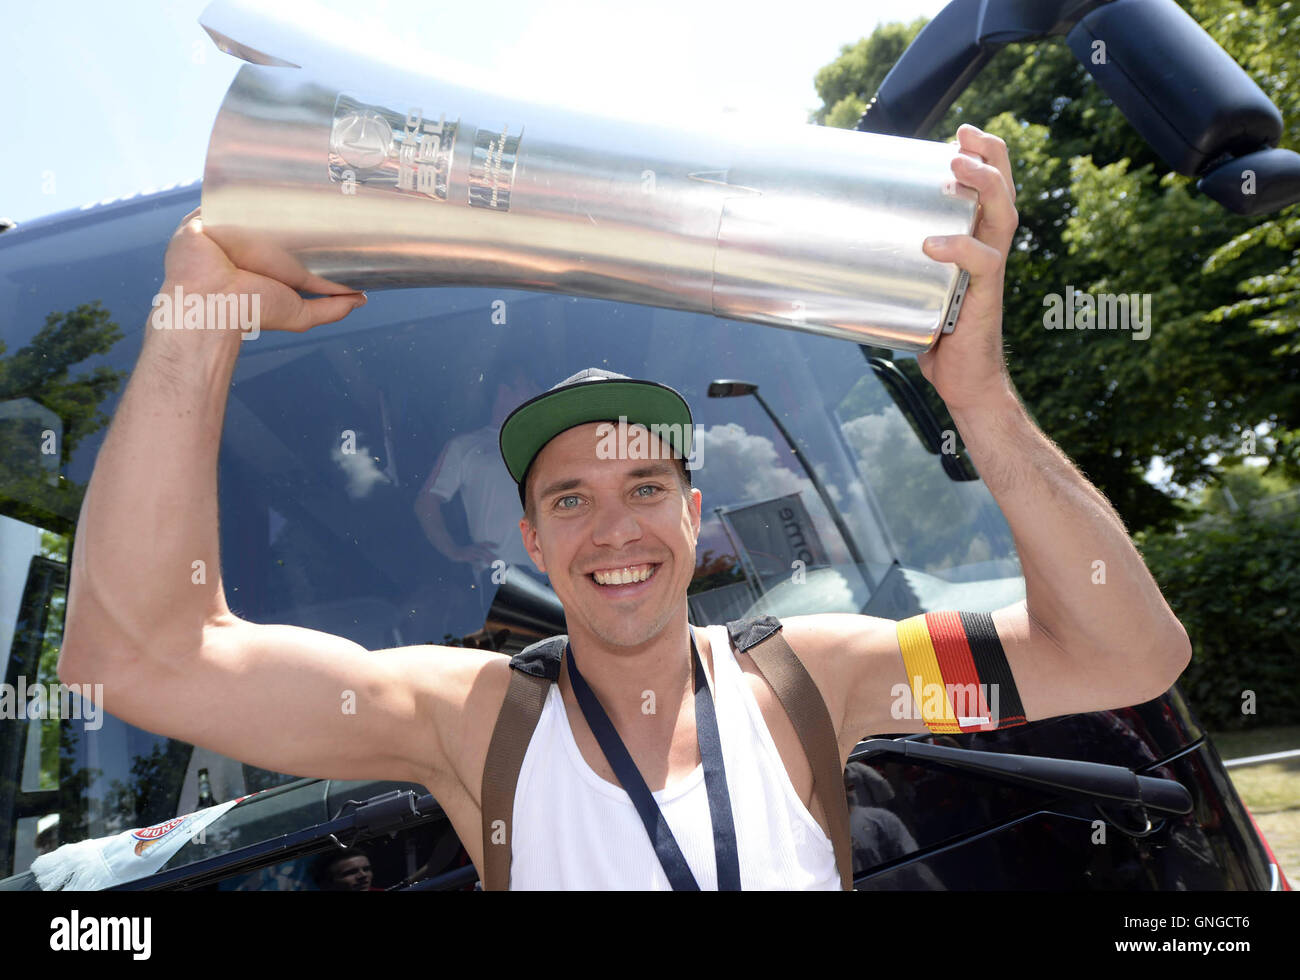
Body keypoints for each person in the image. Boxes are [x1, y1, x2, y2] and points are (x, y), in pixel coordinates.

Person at [58, 124, 1191, 890]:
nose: (614, 526)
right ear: (532, 539)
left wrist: (978, 393)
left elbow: (1124, 654)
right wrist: (192, 320)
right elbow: (138, 652)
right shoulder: (472, 722)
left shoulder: (812, 680)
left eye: (645, 485)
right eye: (570, 497)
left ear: (694, 516)